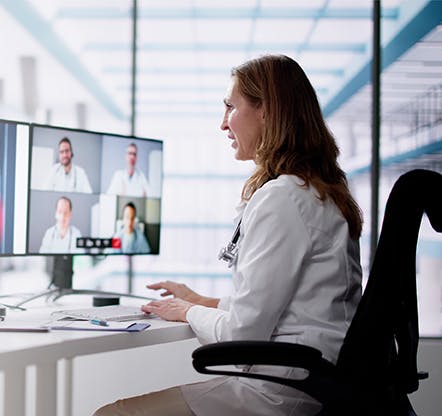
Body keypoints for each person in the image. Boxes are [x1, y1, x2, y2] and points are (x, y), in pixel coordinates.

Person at [94, 54, 364, 416]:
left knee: (112, 413)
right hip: (314, 382)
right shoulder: (317, 191)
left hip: (280, 390)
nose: (223, 124)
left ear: (266, 110)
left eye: (230, 107)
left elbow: (243, 335)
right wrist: (202, 301)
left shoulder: (283, 198)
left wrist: (187, 311)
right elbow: (284, 305)